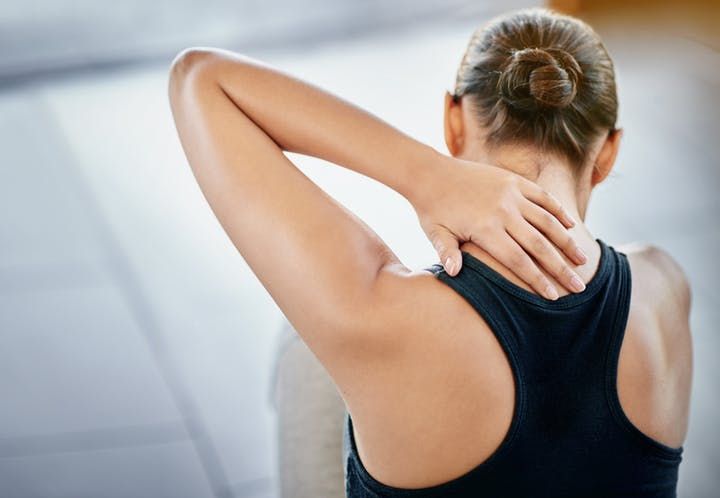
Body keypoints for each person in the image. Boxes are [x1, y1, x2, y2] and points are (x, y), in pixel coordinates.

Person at [168, 7, 693, 497]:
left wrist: (427, 176)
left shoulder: (382, 313)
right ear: (607, 153)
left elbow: (199, 78)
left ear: (453, 121)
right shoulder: (663, 288)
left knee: (307, 350)